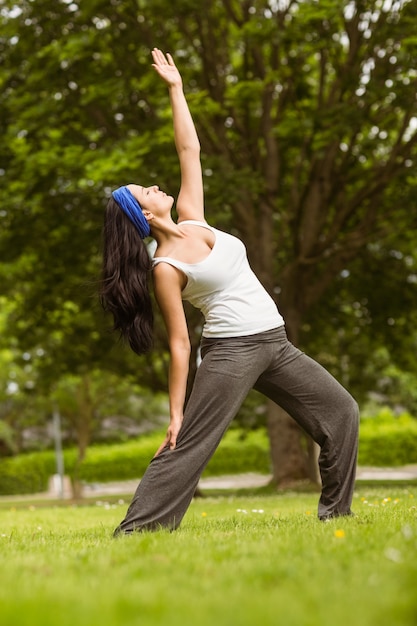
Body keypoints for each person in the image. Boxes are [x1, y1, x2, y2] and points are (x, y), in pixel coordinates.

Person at [101, 48, 359, 534]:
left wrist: (176, 90)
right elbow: (179, 343)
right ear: (147, 216)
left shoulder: (194, 218)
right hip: (231, 352)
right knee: (191, 442)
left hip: (276, 342)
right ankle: (136, 531)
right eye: (147, 192)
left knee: (342, 412)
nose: (157, 188)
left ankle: (336, 517)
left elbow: (189, 151)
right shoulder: (166, 266)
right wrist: (175, 412)